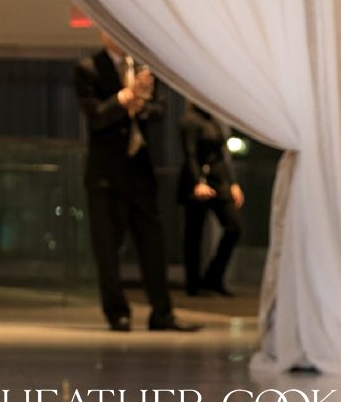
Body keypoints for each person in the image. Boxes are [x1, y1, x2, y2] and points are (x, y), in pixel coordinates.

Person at [75, 27, 199, 333]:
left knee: (152, 243)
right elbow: (96, 117)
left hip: (139, 170)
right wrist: (126, 97)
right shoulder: (89, 68)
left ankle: (162, 312)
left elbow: (158, 113)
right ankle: (117, 313)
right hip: (104, 173)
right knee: (107, 247)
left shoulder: (145, 69)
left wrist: (141, 102)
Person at [178, 102, 244, 296]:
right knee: (194, 234)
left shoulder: (213, 120)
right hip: (197, 181)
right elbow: (189, 154)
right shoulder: (189, 121)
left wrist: (233, 183)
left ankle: (213, 277)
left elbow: (223, 155)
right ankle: (193, 284)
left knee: (234, 227)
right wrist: (197, 181)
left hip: (218, 180)